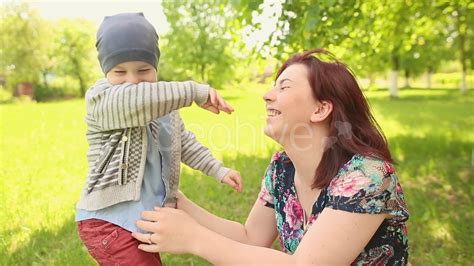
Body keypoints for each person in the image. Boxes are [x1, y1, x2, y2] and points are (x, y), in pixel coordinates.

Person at [133, 48, 410, 265]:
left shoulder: (368, 176)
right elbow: (250, 238)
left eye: (284, 87)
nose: (267, 95)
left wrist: (194, 238)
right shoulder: (282, 168)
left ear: (321, 109)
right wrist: (176, 199)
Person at [75, 12, 242, 265]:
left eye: (143, 70)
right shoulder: (102, 100)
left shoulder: (163, 105)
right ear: (105, 71)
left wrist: (218, 169)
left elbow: (184, 143)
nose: (132, 82)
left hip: (138, 219)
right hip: (109, 221)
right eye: (120, 72)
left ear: (156, 67)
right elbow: (135, 99)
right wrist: (195, 91)